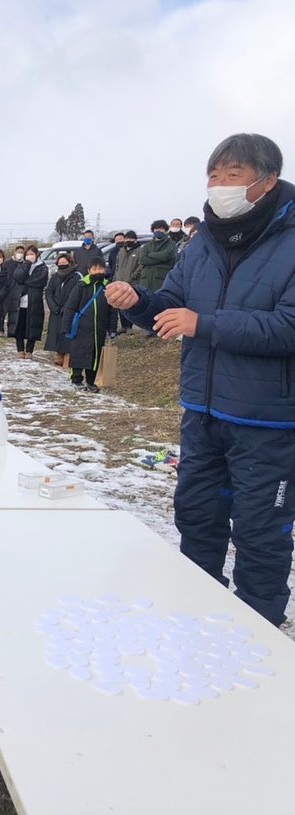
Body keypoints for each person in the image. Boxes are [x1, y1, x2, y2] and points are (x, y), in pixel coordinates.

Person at [107, 132, 295, 627]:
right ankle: (195, 621)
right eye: (213, 175)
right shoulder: (203, 240)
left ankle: (258, 634)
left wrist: (204, 324)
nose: (219, 186)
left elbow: (289, 326)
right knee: (196, 517)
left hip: (267, 420)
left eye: (232, 175)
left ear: (267, 180)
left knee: (260, 532)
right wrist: (139, 303)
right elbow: (173, 304)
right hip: (202, 410)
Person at [63, 257, 111, 392]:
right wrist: (66, 326)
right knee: (78, 353)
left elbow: (112, 309)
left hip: (99, 329)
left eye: (100, 268)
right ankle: (76, 379)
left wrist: (112, 328)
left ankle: (91, 381)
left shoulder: (107, 287)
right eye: (94, 269)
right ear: (89, 270)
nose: (98, 271)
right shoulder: (81, 286)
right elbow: (70, 307)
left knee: (95, 356)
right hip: (81, 327)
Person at [44, 253, 82, 366]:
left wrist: (67, 307)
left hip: (70, 310)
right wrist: (53, 307)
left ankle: (68, 356)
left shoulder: (76, 276)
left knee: (68, 332)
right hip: (56, 310)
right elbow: (49, 292)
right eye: (59, 263)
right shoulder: (55, 277)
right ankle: (59, 354)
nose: (61, 264)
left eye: (64, 262)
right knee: (56, 332)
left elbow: (77, 293)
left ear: (70, 263)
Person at [11, 246, 48, 359]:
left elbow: (40, 281)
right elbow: (17, 277)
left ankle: (29, 350)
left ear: (37, 255)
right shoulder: (22, 265)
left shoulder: (42, 267)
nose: (30, 256)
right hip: (20, 301)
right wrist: (27, 264)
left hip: (34, 301)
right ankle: (20, 349)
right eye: (27, 254)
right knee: (19, 325)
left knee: (33, 326)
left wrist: (25, 281)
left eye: (32, 254)